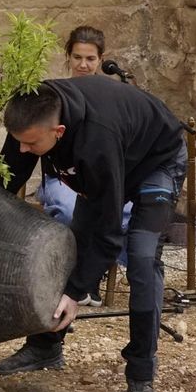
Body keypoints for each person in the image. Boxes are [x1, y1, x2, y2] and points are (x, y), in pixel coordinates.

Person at [0, 77, 186, 392]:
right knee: (68, 245)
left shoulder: (96, 140)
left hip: (156, 161)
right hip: (108, 162)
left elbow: (109, 232)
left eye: (29, 144)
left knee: (142, 258)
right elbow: (6, 182)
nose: (22, 150)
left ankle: (141, 376)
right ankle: (46, 346)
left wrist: (76, 292)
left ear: (59, 131)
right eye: (18, 142)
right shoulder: (31, 117)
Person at [34, 25, 132, 306]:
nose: (83, 65)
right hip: (62, 179)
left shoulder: (114, 93)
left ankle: (94, 273)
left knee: (127, 211)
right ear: (68, 57)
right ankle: (71, 279)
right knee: (69, 210)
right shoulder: (54, 95)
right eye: (77, 57)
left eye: (90, 59)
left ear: (101, 60)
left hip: (103, 179)